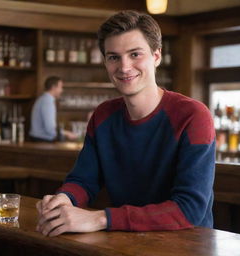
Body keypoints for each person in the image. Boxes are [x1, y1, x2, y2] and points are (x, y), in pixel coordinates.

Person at [36, 10, 215, 236]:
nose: (124, 67)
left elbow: (190, 209)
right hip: (126, 240)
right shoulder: (103, 116)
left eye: (135, 54)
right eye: (113, 57)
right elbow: (83, 179)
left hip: (186, 244)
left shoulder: (193, 116)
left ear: (156, 56)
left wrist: (101, 218)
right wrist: (64, 199)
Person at [29, 76, 77, 142]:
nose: (62, 90)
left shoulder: (43, 99)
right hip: (42, 141)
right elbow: (50, 129)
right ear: (53, 87)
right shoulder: (48, 101)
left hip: (37, 139)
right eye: (60, 87)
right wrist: (67, 134)